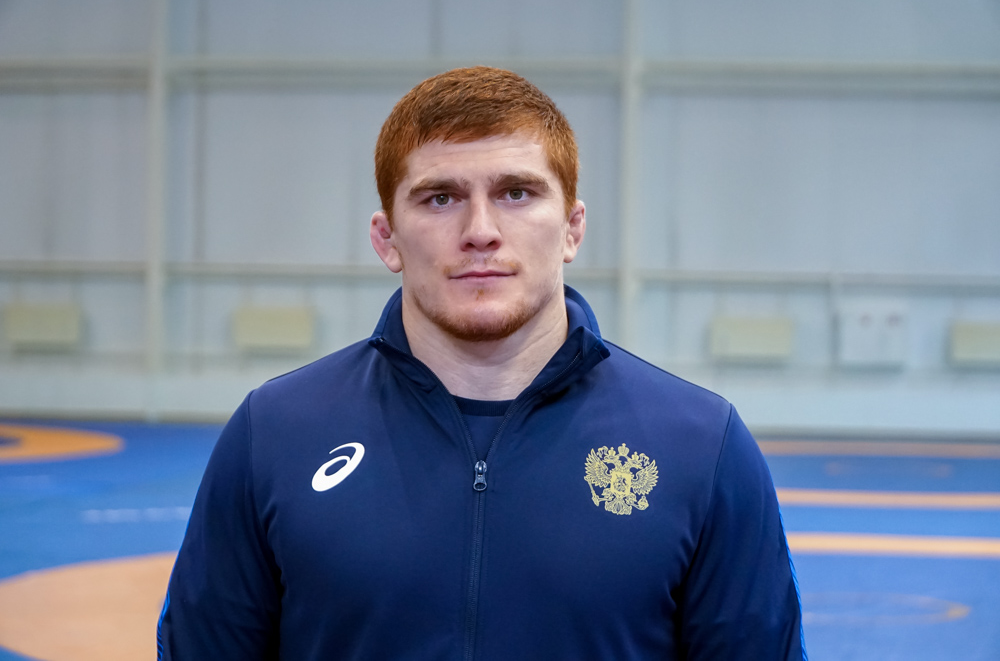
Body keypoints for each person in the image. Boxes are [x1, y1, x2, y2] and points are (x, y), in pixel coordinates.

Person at [157, 66, 805, 660]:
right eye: (440, 198)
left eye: (517, 193)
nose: (480, 230)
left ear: (573, 227)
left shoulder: (700, 444)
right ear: (386, 238)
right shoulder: (276, 432)